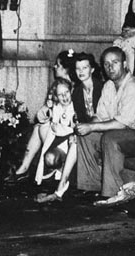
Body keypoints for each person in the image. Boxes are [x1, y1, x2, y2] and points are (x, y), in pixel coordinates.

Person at [76, 47, 135, 199]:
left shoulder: (134, 86)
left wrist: (92, 126)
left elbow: (121, 124)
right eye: (106, 64)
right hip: (119, 131)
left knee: (110, 138)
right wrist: (86, 127)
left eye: (115, 62)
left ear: (124, 64)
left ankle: (113, 193)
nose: (110, 67)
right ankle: (91, 185)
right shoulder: (109, 86)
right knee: (86, 136)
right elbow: (101, 116)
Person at [37, 53, 104, 204]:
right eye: (78, 68)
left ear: (92, 69)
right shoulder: (78, 92)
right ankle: (60, 188)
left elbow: (104, 115)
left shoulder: (102, 87)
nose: (81, 71)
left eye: (85, 67)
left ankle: (61, 188)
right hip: (88, 132)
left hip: (104, 129)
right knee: (74, 140)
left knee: (77, 138)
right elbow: (78, 119)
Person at [12, 78, 76, 185]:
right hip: (57, 140)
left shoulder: (74, 106)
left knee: (51, 155)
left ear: (71, 91)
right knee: (40, 127)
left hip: (69, 143)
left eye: (66, 93)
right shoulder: (56, 107)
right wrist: (46, 109)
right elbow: (42, 117)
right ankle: (26, 167)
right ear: (56, 96)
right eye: (60, 95)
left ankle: (62, 169)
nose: (64, 97)